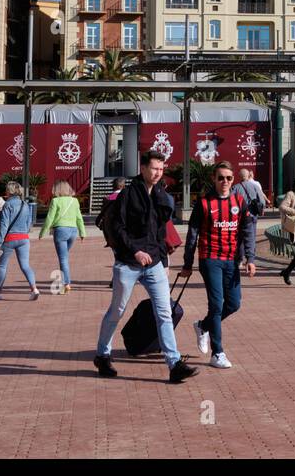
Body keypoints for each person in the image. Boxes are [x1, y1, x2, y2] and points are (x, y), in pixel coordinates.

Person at [93, 152, 197, 383]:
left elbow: (161, 230)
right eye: (154, 168)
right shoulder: (128, 194)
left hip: (155, 264)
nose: (158, 173)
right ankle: (102, 354)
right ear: (142, 168)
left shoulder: (161, 194)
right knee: (117, 311)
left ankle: (174, 364)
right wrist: (135, 251)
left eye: (161, 169)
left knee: (164, 313)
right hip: (128, 263)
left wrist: (162, 257)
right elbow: (118, 228)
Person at [181, 160, 256, 369]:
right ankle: (218, 353)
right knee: (215, 304)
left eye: (229, 178)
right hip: (210, 259)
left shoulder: (240, 202)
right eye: (221, 177)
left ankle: (203, 326)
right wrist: (187, 263)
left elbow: (248, 231)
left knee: (234, 304)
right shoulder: (204, 203)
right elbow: (192, 235)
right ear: (214, 179)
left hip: (232, 260)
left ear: (233, 180)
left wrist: (250, 258)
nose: (225, 181)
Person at [0, 182, 38, 300]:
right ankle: (34, 288)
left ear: (9, 191)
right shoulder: (25, 204)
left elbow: (4, 226)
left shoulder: (7, 205)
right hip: (24, 238)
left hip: (9, 239)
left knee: (2, 266)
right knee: (25, 265)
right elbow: (28, 223)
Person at [41, 180, 86, 292]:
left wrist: (42, 232)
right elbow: (79, 217)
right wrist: (82, 232)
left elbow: (50, 218)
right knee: (64, 257)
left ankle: (66, 284)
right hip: (73, 231)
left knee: (63, 259)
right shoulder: (74, 201)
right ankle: (64, 282)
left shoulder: (55, 201)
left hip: (60, 230)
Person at [232, 167, 267, 265]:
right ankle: (250, 260)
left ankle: (239, 259)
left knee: (240, 238)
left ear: (239, 176)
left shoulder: (236, 187)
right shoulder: (255, 186)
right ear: (248, 176)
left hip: (240, 216)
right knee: (251, 237)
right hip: (252, 215)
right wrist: (261, 209)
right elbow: (262, 201)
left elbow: (230, 201)